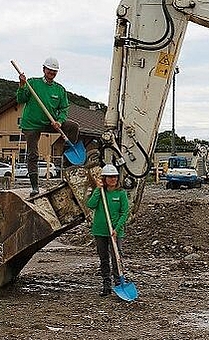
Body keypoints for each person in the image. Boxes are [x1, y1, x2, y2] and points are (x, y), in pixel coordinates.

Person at [16, 57, 79, 196]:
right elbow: (20, 99)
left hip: (49, 122)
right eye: (49, 70)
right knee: (33, 153)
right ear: (44, 69)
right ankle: (34, 187)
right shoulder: (32, 83)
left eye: (54, 71)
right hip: (31, 124)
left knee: (73, 127)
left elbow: (63, 109)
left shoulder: (60, 90)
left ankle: (68, 159)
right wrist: (21, 85)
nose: (51, 72)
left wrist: (60, 122)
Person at [86, 164, 129, 297]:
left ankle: (118, 283)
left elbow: (125, 212)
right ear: (104, 178)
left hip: (115, 232)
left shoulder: (121, 193)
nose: (113, 179)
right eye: (110, 177)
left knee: (116, 257)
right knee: (104, 258)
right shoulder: (100, 193)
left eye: (115, 177)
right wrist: (98, 190)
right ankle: (106, 284)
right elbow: (90, 205)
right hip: (100, 231)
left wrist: (117, 229)